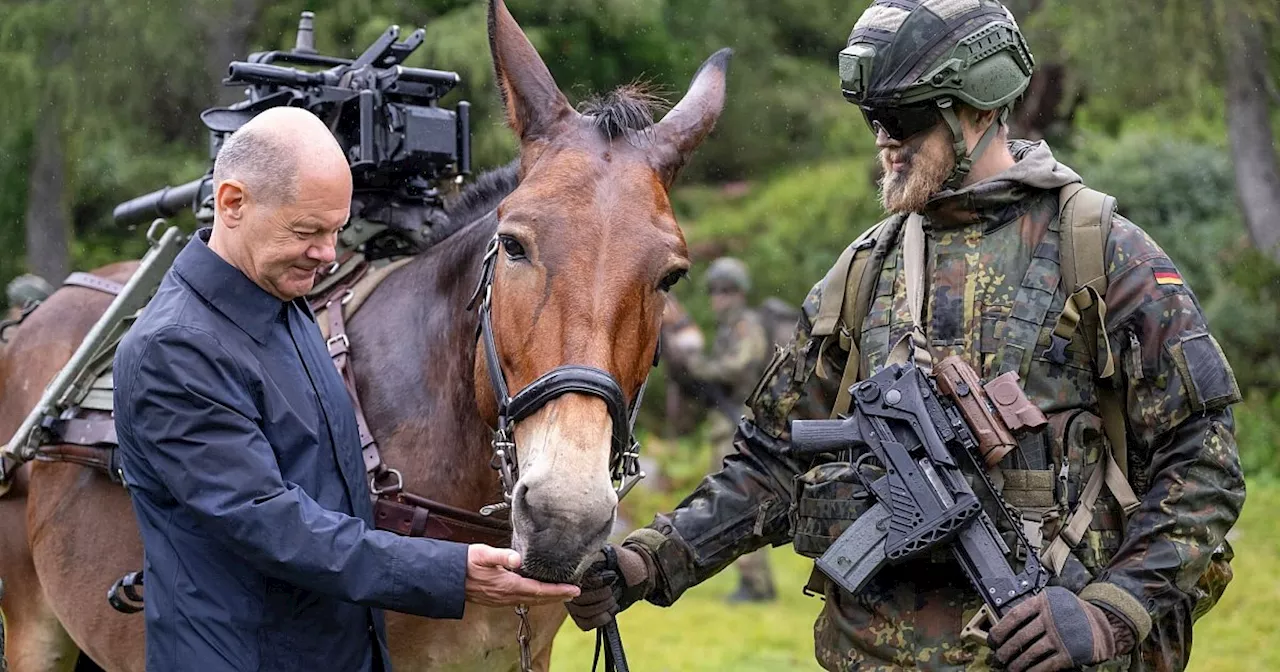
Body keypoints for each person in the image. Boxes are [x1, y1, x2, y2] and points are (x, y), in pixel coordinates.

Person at [566, 2, 1245, 671]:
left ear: (979, 110)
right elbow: (772, 461)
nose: (883, 139)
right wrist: (648, 559)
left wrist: (1111, 609)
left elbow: (1205, 464)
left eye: (905, 118)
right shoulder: (863, 271)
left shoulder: (1100, 254)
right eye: (872, 119)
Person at [113, 107, 578, 672]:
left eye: (335, 230)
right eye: (307, 231)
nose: (327, 253)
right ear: (232, 203)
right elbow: (269, 524)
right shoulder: (174, 349)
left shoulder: (283, 303)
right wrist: (449, 572)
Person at [662, 257, 777, 603]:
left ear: (738, 294)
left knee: (736, 500)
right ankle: (757, 583)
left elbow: (742, 363)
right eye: (714, 293)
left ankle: (755, 585)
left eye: (724, 292)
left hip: (738, 423)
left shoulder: (746, 325)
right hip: (728, 422)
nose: (718, 300)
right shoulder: (729, 327)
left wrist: (701, 366)